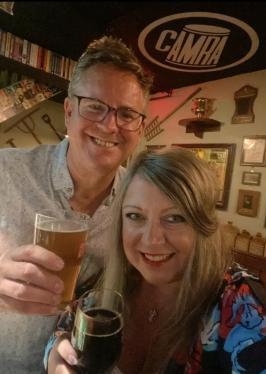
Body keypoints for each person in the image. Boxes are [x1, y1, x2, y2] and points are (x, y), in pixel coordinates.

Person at [0, 35, 153, 373]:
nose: (110, 124)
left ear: (140, 128)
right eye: (95, 106)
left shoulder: (142, 202)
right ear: (69, 112)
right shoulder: (4, 170)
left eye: (127, 114)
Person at [46, 147, 266, 374]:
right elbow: (64, 330)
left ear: (203, 226)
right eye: (135, 216)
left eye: (174, 218)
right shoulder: (112, 277)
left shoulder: (241, 306)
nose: (152, 239)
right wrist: (55, 356)